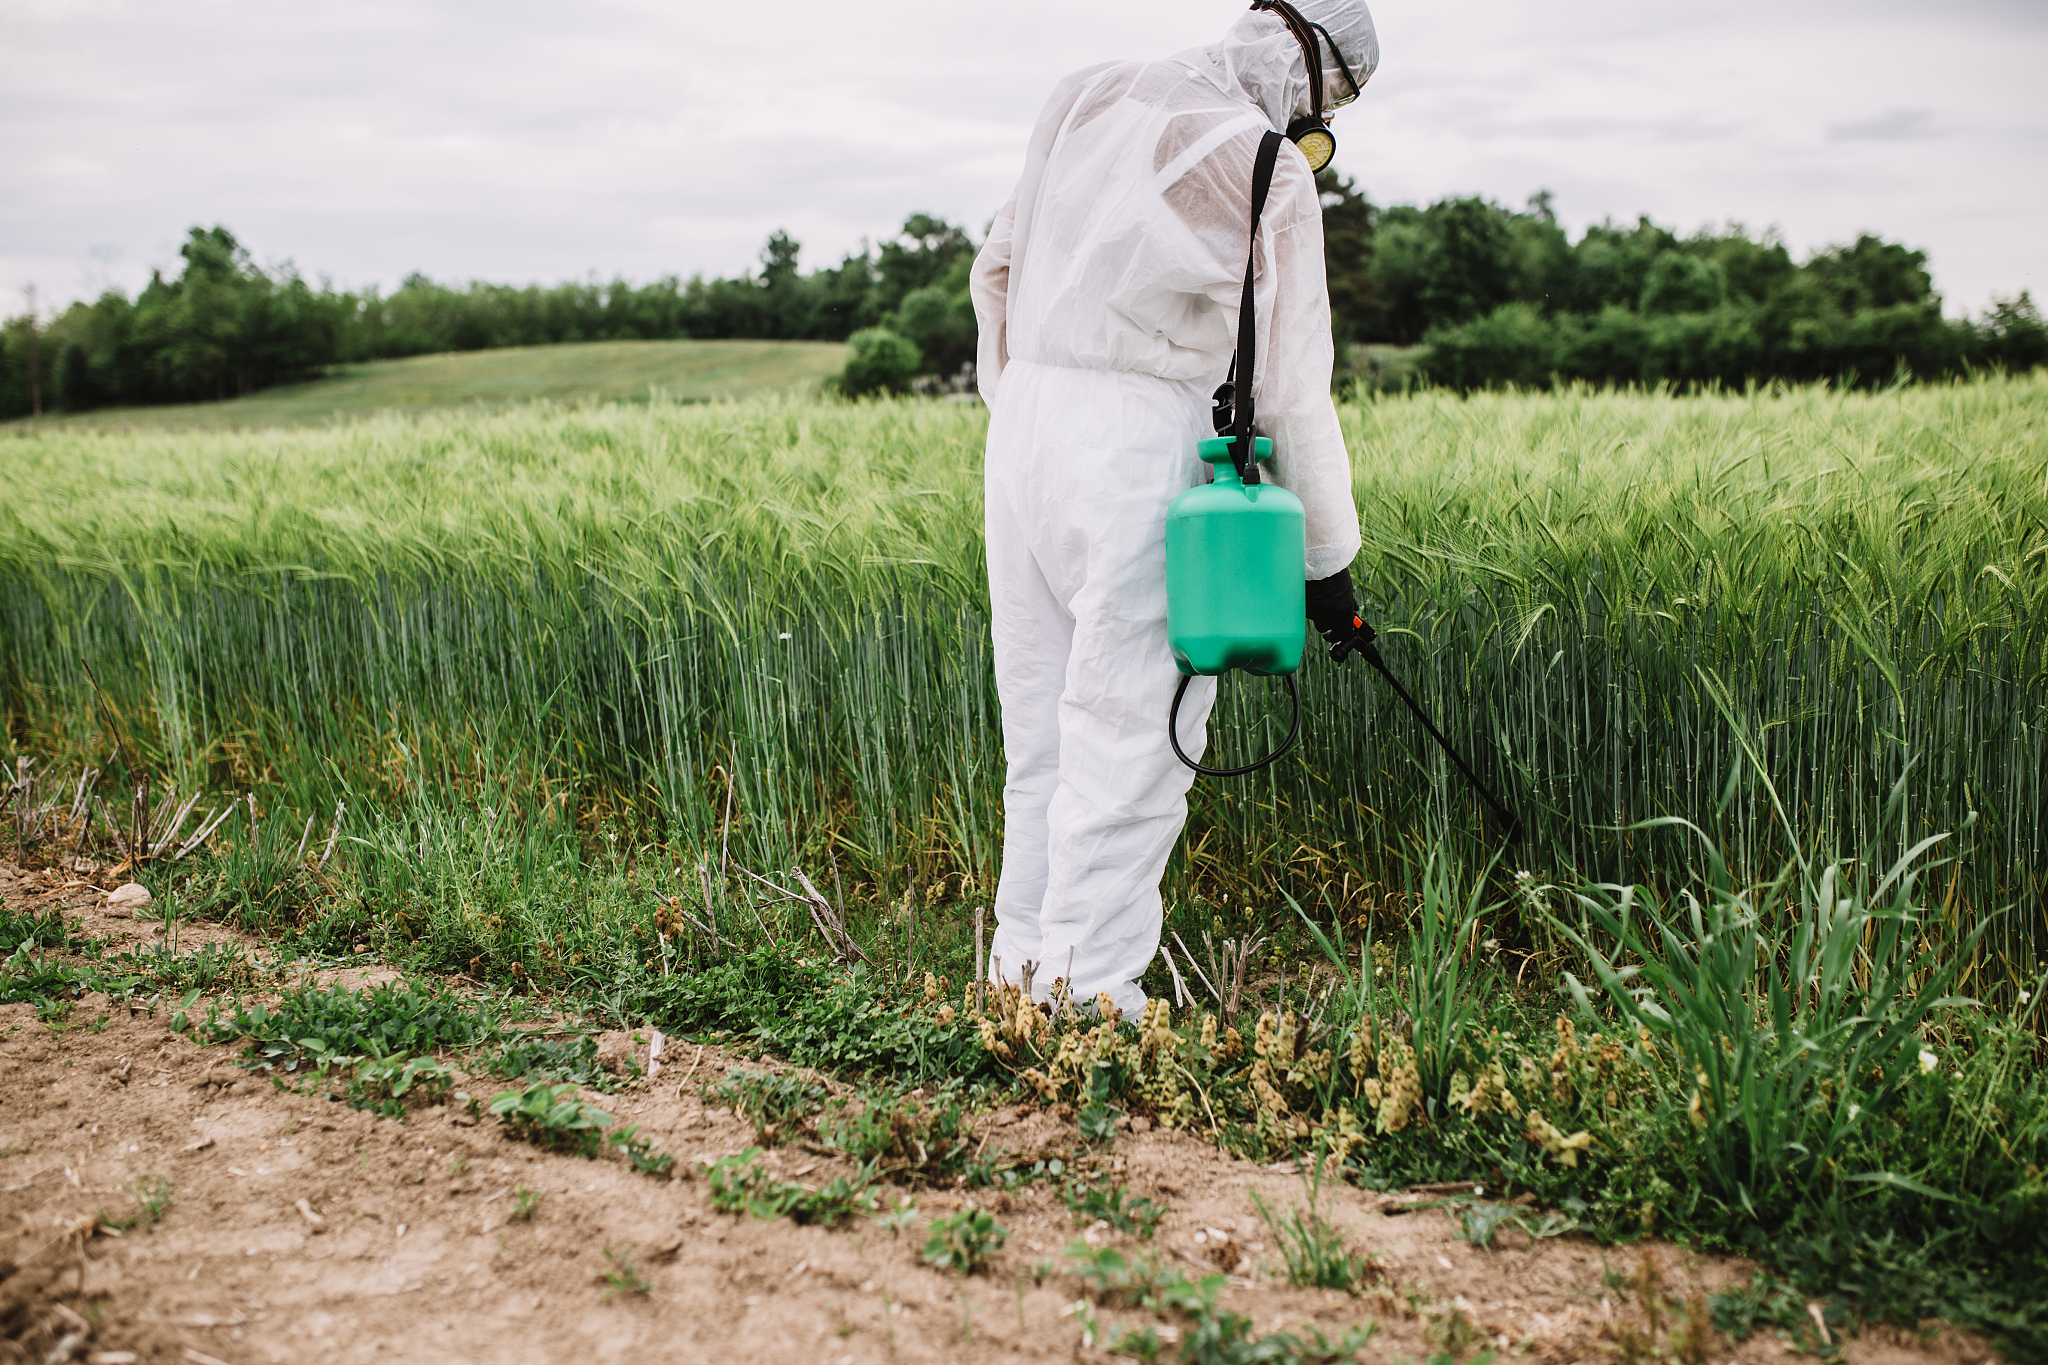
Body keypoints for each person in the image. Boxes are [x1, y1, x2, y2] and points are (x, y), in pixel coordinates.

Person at [971, 0, 1379, 1016]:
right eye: (1335, 101)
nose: (1322, 123)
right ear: (1311, 65)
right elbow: (1290, 386)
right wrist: (1325, 563)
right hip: (1142, 440)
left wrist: (1018, 396)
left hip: (1024, 425)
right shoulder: (1268, 166)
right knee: (1131, 728)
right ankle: (1087, 993)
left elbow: (995, 263)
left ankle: (1017, 968)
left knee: (1040, 726)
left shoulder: (1085, 94)